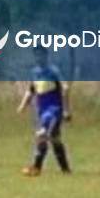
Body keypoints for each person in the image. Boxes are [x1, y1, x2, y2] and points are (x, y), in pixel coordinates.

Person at [17, 47, 72, 176]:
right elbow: (31, 90)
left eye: (41, 55)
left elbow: (65, 88)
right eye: (36, 55)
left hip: (55, 110)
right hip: (42, 112)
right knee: (55, 138)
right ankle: (65, 170)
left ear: (46, 56)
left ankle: (36, 167)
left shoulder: (53, 72)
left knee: (45, 134)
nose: (38, 58)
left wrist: (66, 110)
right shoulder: (34, 73)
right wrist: (23, 105)